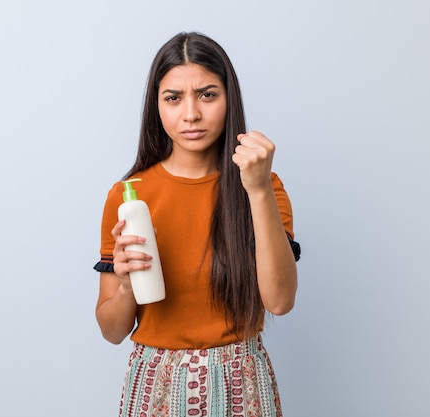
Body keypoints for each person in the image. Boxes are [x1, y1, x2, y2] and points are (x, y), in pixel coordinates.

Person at [93, 31, 301, 417]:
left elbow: (280, 301)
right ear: (156, 106)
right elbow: (112, 331)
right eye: (173, 98)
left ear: (229, 98)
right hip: (156, 386)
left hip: (242, 383)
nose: (190, 114)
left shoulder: (265, 186)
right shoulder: (129, 197)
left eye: (207, 94)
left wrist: (256, 189)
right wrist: (125, 286)